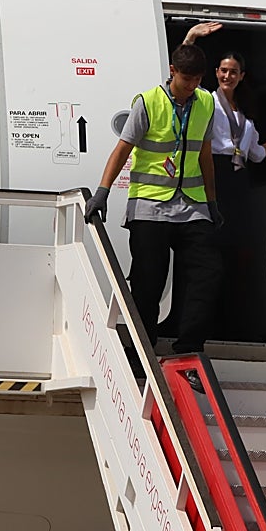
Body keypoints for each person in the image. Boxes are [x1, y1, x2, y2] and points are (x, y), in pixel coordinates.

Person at [86, 43, 221, 359]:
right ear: (173, 71)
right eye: (186, 79)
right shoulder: (148, 102)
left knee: (208, 272)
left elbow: (205, 155)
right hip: (149, 207)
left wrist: (212, 202)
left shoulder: (205, 103)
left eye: (197, 80)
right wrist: (103, 190)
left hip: (191, 206)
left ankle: (189, 347)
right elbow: (122, 149)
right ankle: (142, 351)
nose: (191, 86)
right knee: (148, 283)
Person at [183, 23, 266, 339]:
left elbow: (257, 154)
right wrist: (191, 38)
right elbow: (184, 72)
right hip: (214, 173)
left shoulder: (245, 117)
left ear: (242, 76)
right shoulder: (206, 100)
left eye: (233, 72)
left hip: (237, 180)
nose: (227, 76)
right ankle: (192, 322)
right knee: (207, 251)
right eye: (223, 70)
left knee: (231, 252)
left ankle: (223, 320)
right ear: (216, 73)